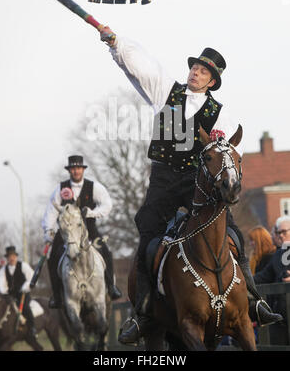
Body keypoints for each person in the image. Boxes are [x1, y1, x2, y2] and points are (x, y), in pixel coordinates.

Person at [98, 29, 281, 343]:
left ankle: (253, 301)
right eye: (195, 67)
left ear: (212, 80)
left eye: (203, 71)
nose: (195, 72)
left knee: (234, 233)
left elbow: (225, 147)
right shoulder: (167, 92)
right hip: (165, 179)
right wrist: (117, 44)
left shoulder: (219, 112)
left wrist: (221, 147)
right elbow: (143, 66)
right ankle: (142, 311)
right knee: (149, 232)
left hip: (198, 180)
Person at [42, 155, 122, 308]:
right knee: (52, 257)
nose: (76, 171)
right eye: (73, 168)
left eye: (78, 168)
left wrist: (91, 213)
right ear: (69, 170)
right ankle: (57, 296)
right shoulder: (60, 189)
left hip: (89, 230)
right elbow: (50, 212)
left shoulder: (94, 187)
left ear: (82, 170)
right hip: (66, 232)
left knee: (106, 252)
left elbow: (107, 205)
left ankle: (111, 287)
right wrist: (48, 231)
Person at [254, 216, 290, 344]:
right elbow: (262, 277)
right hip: (279, 317)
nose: (280, 236)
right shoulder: (278, 255)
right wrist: (240, 279)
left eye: (284, 232)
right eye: (278, 232)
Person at [0, 246, 36, 337]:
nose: (11, 258)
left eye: (13, 256)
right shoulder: (4, 269)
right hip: (11, 296)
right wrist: (4, 291)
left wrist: (26, 287)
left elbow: (32, 277)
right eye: (9, 257)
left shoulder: (23, 266)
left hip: (23, 294)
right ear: (7, 258)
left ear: (16, 257)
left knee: (26, 308)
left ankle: (32, 328)